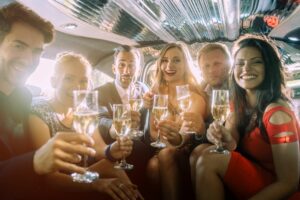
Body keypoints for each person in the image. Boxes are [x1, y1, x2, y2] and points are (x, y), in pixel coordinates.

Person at [0, 3, 96, 200]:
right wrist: (34, 162)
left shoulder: (24, 98)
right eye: (19, 46)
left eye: (36, 52)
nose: (28, 60)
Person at [194, 35, 300, 200]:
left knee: (209, 160)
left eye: (256, 62)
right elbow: (231, 142)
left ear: (269, 67)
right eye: (240, 63)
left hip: (279, 189)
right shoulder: (239, 104)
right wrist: (219, 136)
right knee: (203, 152)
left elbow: (289, 182)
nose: (246, 69)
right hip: (257, 173)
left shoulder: (277, 114)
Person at [27, 52, 140, 200]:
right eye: (69, 79)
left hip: (84, 173)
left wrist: (111, 150)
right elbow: (50, 178)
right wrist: (97, 183)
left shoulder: (82, 110)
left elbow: (99, 148)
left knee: (113, 167)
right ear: (54, 81)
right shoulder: (39, 113)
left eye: (83, 81)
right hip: (60, 185)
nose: (77, 87)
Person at [143, 42, 207, 200]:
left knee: (163, 156)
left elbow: (186, 135)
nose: (168, 66)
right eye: (164, 60)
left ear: (186, 64)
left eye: (176, 60)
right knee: (153, 165)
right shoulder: (154, 94)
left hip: (186, 155)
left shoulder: (195, 98)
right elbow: (152, 133)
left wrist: (177, 138)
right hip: (160, 151)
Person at [94, 45, 152, 196]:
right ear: (114, 68)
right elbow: (100, 120)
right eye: (122, 65)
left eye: (132, 66)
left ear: (138, 70)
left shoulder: (144, 90)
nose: (126, 71)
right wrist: (116, 127)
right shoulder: (100, 92)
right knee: (138, 149)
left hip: (142, 146)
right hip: (115, 145)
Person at [189, 42, 232, 185]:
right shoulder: (199, 93)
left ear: (228, 66)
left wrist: (203, 129)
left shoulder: (238, 90)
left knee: (199, 152)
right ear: (200, 71)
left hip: (234, 144)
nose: (212, 70)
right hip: (209, 142)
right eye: (206, 66)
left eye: (217, 64)